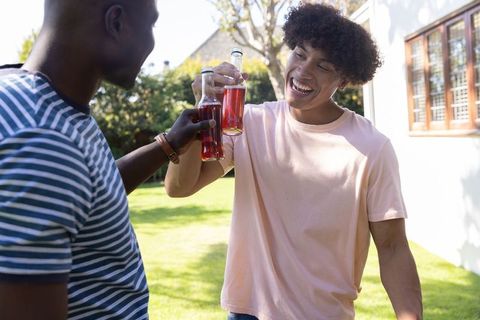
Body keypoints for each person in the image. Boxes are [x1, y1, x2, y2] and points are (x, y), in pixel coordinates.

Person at [165, 3, 423, 320]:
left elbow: (393, 248)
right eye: (300, 54)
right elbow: (179, 187)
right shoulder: (248, 124)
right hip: (248, 313)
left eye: (323, 66)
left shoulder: (371, 148)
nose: (303, 70)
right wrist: (201, 107)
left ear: (343, 80)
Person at [0, 0, 216, 319]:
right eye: (151, 26)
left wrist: (168, 143)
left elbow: (91, 191)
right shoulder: (44, 139)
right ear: (116, 22)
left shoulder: (39, 101)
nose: (152, 45)